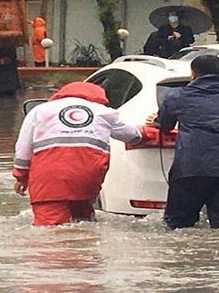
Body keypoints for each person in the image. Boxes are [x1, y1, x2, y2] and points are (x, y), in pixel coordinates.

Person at [13, 82, 143, 226]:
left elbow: (23, 148)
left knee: (50, 231)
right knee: (83, 220)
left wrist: (21, 177)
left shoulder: (40, 111)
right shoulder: (105, 112)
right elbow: (133, 136)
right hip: (88, 177)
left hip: (49, 179)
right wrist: (151, 130)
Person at [152, 55, 219, 230]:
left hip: (189, 171)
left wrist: (155, 122)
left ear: (193, 74)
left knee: (178, 229)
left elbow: (164, 126)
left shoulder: (178, 96)